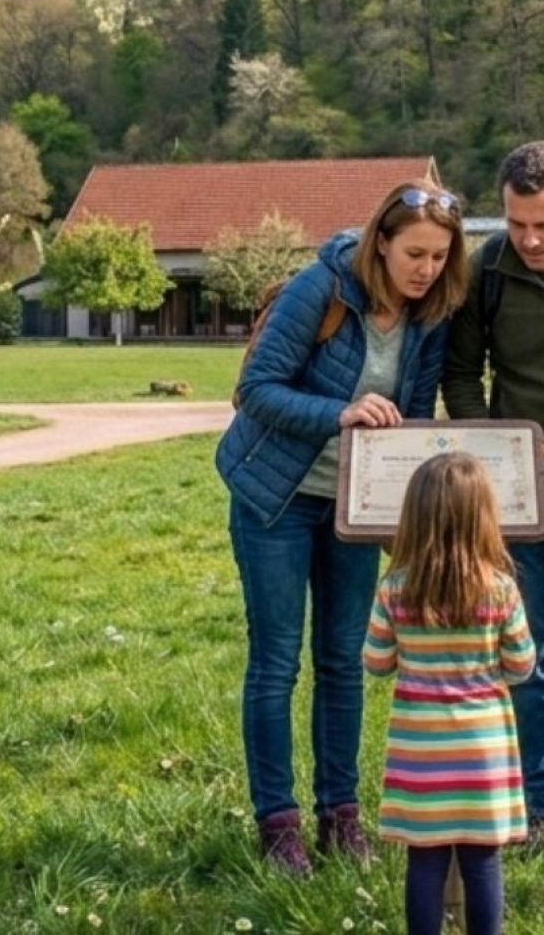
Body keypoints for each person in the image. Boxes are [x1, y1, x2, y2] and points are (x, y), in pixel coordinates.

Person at [216, 179, 468, 874]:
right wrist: (340, 413)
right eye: (414, 254)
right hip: (276, 495)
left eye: (439, 257)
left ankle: (341, 817)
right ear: (380, 243)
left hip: (354, 507)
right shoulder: (320, 288)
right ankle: (278, 826)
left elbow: (415, 415)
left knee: (342, 661)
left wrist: (408, 510)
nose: (426, 269)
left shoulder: (431, 313)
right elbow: (254, 390)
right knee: (277, 661)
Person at [363, 452, 535, 935]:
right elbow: (522, 666)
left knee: (424, 860)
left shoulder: (395, 589)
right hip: (483, 752)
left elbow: (376, 662)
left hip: (420, 752)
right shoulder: (501, 590)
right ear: (484, 517)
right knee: (483, 861)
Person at [442, 141, 544, 849]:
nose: (529, 239)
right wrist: (492, 451)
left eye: (542, 226)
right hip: (518, 491)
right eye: (517, 224)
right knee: (527, 655)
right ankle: (533, 805)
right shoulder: (487, 270)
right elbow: (459, 372)